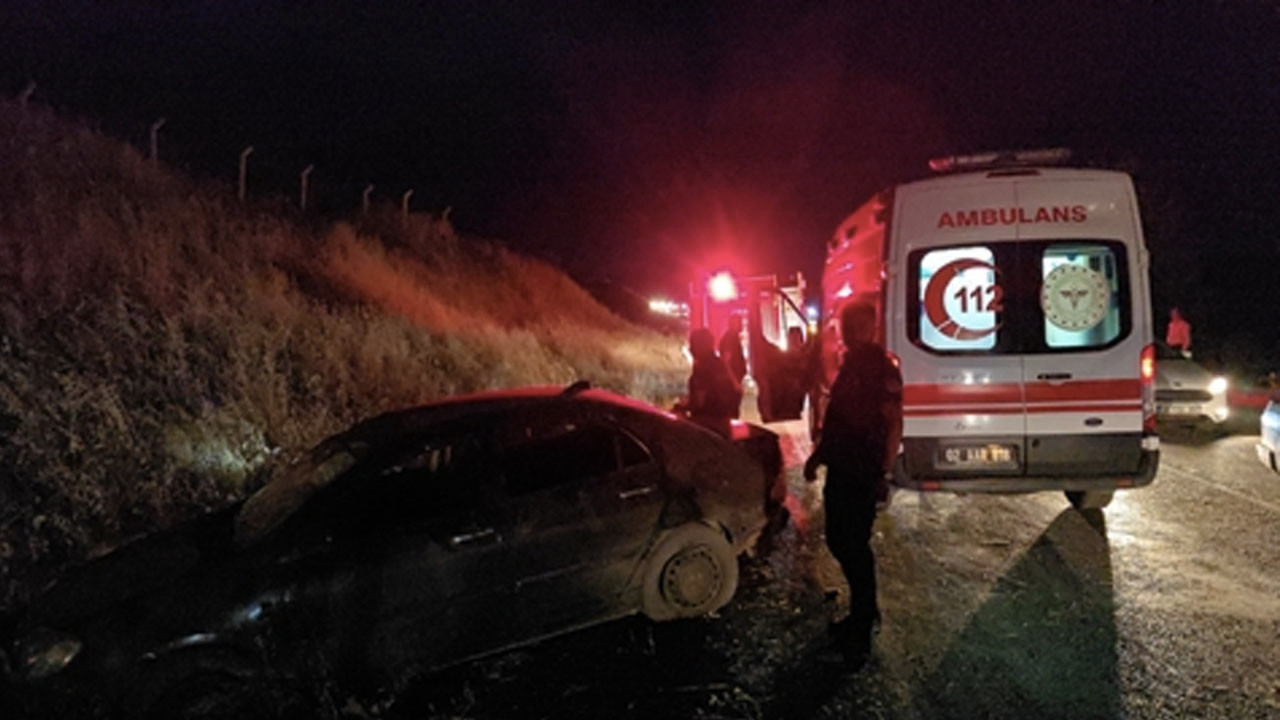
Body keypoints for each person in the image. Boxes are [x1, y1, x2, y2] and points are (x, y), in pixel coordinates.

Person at [803, 301, 903, 669]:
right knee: (838, 539)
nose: (850, 332)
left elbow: (894, 423)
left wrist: (885, 474)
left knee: (854, 546)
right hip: (842, 468)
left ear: (871, 328)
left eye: (858, 326)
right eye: (847, 326)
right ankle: (863, 612)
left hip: (863, 472)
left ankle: (861, 631)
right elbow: (838, 419)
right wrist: (818, 456)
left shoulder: (881, 368)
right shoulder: (850, 365)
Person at [682, 327, 743, 438]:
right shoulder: (721, 365)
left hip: (708, 430)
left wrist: (681, 408)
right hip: (725, 428)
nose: (690, 349)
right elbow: (737, 390)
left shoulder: (702, 370)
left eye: (693, 344)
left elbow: (699, 402)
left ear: (700, 346)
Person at [718, 315, 748, 394]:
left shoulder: (734, 338)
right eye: (740, 323)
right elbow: (726, 362)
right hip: (731, 384)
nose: (742, 325)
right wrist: (735, 383)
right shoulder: (729, 339)